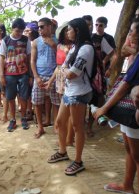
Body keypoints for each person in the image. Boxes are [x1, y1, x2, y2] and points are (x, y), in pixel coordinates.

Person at [93, 17, 139, 194]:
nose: (129, 34)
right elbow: (125, 53)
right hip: (130, 110)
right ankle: (127, 185)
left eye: (133, 31)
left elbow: (126, 84)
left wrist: (105, 108)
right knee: (130, 150)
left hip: (137, 111)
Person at [47, 18, 94, 176]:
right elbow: (65, 67)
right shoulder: (75, 47)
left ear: (78, 30)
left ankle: (78, 161)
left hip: (79, 93)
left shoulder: (86, 49)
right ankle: (62, 152)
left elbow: (72, 73)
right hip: (69, 92)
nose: (67, 32)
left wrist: (66, 70)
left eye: (69, 29)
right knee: (60, 122)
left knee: (77, 127)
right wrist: (66, 69)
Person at [0, 18, 31, 132]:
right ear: (12, 29)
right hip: (9, 73)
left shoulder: (26, 40)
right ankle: (12, 120)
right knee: (10, 97)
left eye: (21, 31)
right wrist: (2, 75)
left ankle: (23, 118)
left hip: (23, 73)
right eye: (17, 31)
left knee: (23, 97)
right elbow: (2, 58)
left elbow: (29, 57)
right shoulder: (5, 40)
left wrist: (30, 75)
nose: (19, 33)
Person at [31, 17, 61, 138]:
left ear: (49, 27)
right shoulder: (36, 42)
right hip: (40, 76)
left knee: (56, 102)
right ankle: (40, 127)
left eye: (42, 26)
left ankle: (56, 126)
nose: (39, 29)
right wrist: (36, 77)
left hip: (54, 76)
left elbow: (62, 59)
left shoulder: (58, 41)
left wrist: (54, 46)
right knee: (37, 102)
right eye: (38, 27)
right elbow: (32, 61)